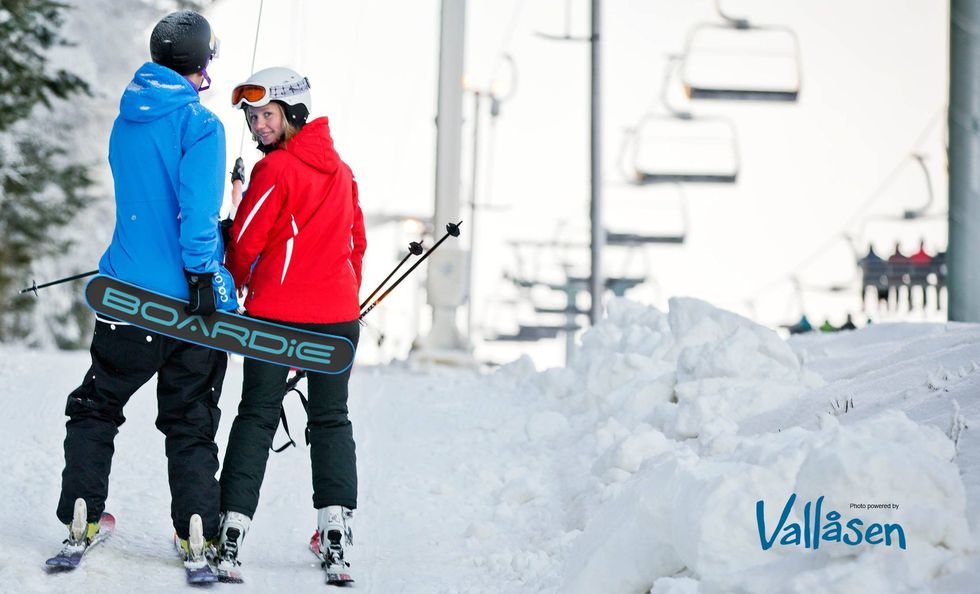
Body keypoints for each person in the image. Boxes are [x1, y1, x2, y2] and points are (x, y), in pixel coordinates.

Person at [55, 10, 237, 568]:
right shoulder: (201, 125)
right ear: (202, 62)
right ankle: (196, 528)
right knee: (189, 417)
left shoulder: (125, 119)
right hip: (185, 303)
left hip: (125, 295)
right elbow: (197, 213)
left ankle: (83, 511)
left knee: (97, 404)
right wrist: (205, 272)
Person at [216, 66, 365, 580]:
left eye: (267, 116)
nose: (258, 126)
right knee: (331, 420)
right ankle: (336, 531)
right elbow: (356, 244)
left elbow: (248, 239)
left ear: (294, 114)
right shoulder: (343, 172)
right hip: (339, 319)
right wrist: (343, 298)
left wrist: (230, 279)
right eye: (253, 117)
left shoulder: (275, 170)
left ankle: (230, 530)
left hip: (275, 317)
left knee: (256, 414)